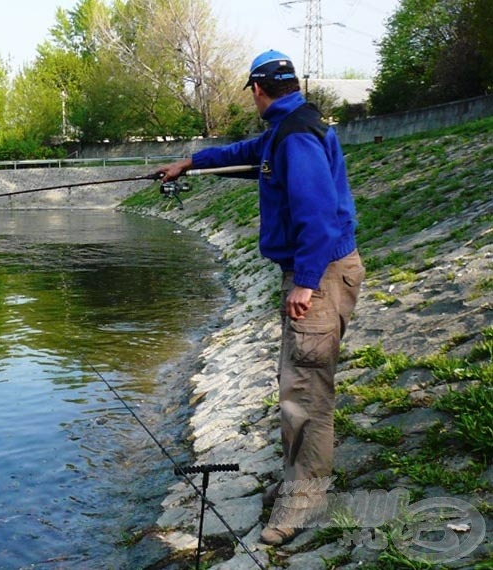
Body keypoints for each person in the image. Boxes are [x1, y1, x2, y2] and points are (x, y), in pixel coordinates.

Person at [155, 50, 365, 546]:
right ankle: (300, 480)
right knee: (297, 383)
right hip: (319, 270)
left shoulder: (295, 136)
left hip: (321, 274)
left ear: (256, 89)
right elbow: (249, 154)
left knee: (306, 392)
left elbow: (318, 217)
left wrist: (306, 283)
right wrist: (191, 161)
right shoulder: (286, 127)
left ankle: (306, 500)